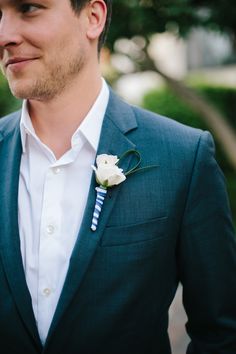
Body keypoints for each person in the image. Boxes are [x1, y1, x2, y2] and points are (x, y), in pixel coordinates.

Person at [0, 0, 236, 353]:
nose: (4, 34)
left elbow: (222, 332)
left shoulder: (182, 157)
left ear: (93, 17)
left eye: (29, 8)